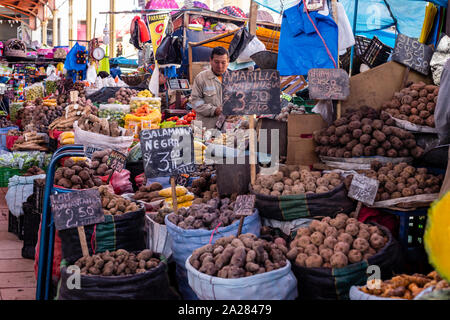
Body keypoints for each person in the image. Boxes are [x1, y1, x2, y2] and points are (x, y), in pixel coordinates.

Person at [190, 46, 229, 129]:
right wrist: (214, 110)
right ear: (210, 61)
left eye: (223, 62)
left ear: (228, 62)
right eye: (216, 62)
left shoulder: (233, 79)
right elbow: (195, 101)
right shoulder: (201, 78)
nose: (220, 66)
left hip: (227, 128)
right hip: (205, 127)